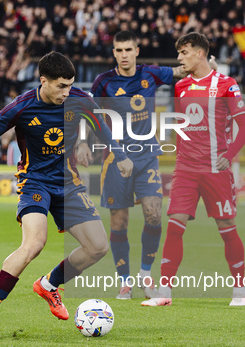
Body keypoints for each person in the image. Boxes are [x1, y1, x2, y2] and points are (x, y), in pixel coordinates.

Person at [0, 52, 133, 339]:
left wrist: (120, 156)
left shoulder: (79, 99)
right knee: (34, 243)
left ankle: (49, 285)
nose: (66, 92)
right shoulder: (22, 106)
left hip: (69, 183)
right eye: (60, 86)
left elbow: (102, 128)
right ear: (43, 81)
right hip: (35, 183)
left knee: (97, 247)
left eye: (69, 85)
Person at [88, 30, 217, 300]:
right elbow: (91, 115)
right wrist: (80, 143)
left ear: (137, 51)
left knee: (154, 214)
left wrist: (209, 65)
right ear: (114, 53)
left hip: (147, 155)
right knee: (119, 222)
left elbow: (183, 71)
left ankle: (146, 273)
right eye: (118, 50)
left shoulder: (151, 74)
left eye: (128, 50)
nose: (123, 55)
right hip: (114, 158)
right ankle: (124, 280)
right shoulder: (103, 82)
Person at [143, 32, 245, 307]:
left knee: (226, 227)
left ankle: (239, 289)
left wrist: (229, 155)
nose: (180, 58)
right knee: (175, 226)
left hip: (216, 169)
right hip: (186, 168)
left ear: (200, 53)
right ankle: (164, 292)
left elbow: (244, 128)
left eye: (184, 52)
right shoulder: (180, 87)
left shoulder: (227, 84)